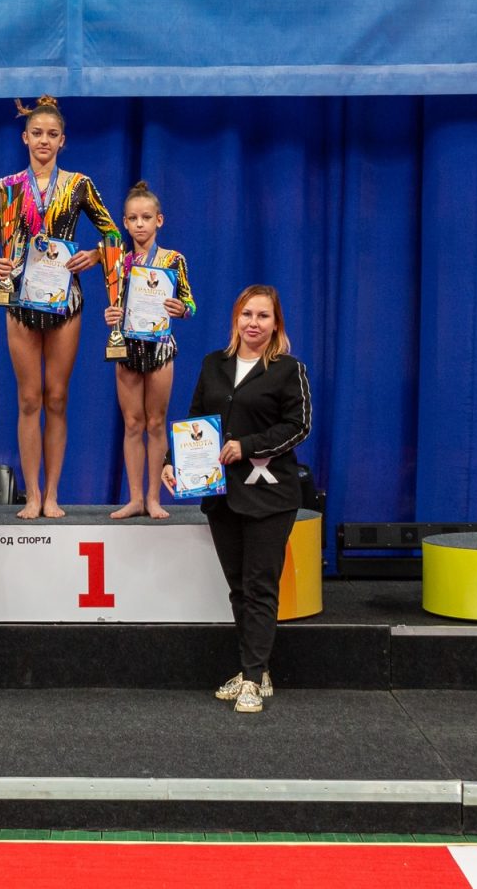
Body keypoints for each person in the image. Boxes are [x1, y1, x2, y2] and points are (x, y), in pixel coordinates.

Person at [162, 286, 312, 715]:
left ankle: (251, 677)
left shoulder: (288, 370)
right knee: (239, 588)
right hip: (222, 496)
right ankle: (256, 670)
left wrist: (247, 446)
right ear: (236, 319)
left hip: (270, 496)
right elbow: (196, 420)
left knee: (261, 586)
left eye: (263, 316)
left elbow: (299, 425)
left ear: (276, 323)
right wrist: (173, 462)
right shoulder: (214, 364)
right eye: (247, 314)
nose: (254, 323)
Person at [0, 97, 122, 519]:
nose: (44, 140)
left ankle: (53, 493)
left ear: (63, 140)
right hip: (21, 302)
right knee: (29, 399)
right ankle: (33, 494)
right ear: (25, 138)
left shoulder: (79, 184)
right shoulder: (6, 187)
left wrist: (95, 255)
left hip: (65, 302)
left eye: (52, 134)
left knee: (56, 397)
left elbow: (114, 235)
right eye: (37, 133)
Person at [101, 181, 195, 519]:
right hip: (127, 349)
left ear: (159, 220)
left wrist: (181, 309)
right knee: (132, 423)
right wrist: (111, 315)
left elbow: (190, 304)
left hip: (160, 349)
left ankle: (154, 498)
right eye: (133, 218)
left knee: (156, 423)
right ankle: (135, 498)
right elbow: (115, 305)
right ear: (125, 223)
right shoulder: (118, 263)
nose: (140, 224)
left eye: (146, 217)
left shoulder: (173, 259)